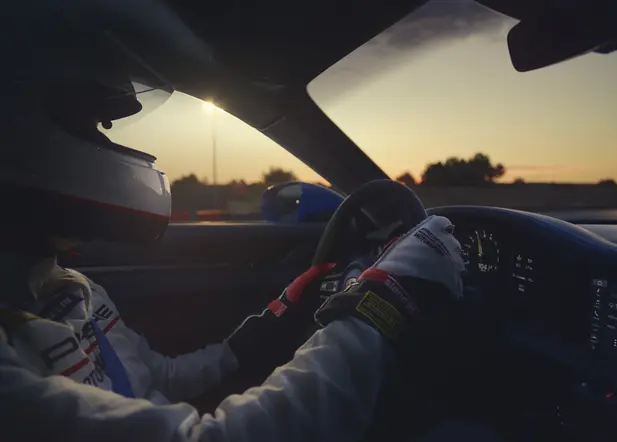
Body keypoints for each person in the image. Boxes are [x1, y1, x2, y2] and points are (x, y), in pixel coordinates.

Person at [0, 6, 466, 442]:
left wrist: (262, 330)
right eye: (94, 125)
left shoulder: (67, 286)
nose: (107, 146)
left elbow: (160, 379)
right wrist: (382, 302)